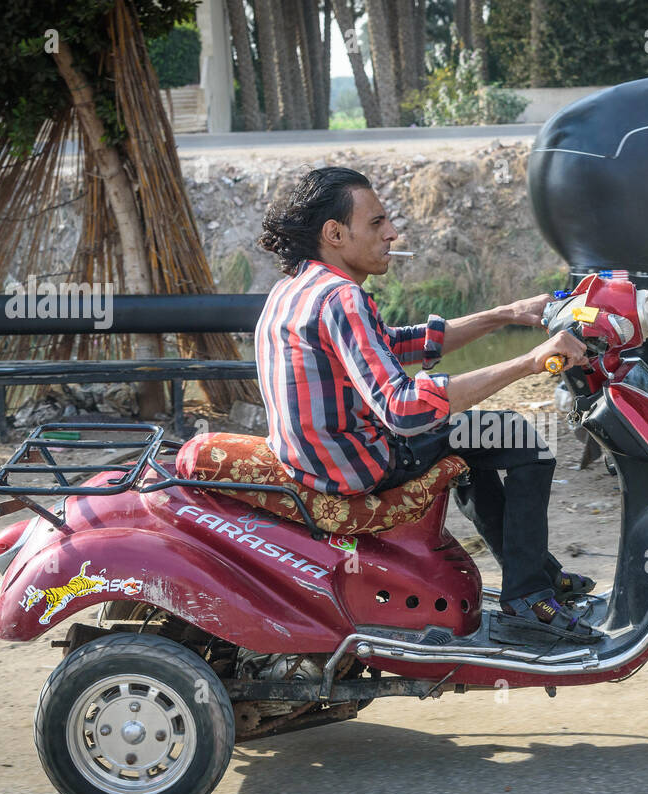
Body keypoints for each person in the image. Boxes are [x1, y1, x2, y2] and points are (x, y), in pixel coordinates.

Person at [254, 166, 599, 636]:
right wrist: (531, 361)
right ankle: (528, 596)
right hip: (360, 463)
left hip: (318, 459)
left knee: (481, 438)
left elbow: (396, 344)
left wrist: (506, 314)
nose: (392, 233)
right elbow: (403, 409)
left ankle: (535, 575)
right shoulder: (341, 298)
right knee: (521, 440)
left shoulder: (293, 289)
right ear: (334, 233)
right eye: (377, 224)